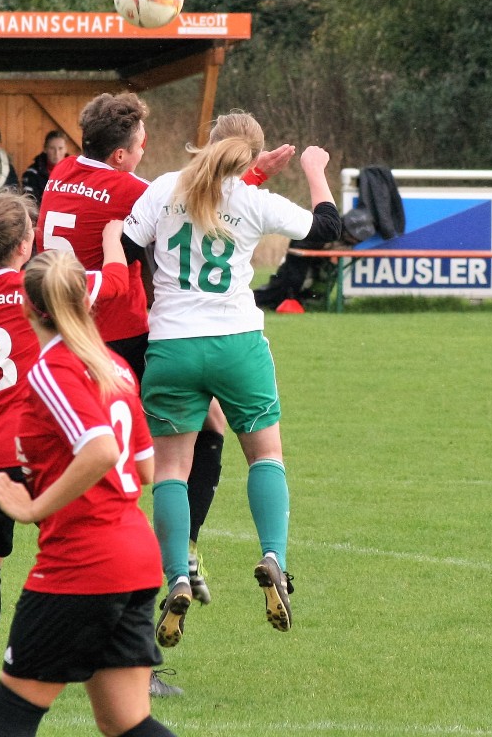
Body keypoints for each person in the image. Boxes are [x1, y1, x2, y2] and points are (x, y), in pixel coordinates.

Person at [36, 93, 295, 615]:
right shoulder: (128, 189)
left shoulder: (61, 173)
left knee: (206, 427)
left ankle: (177, 556)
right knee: (158, 463)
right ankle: (179, 558)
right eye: (139, 145)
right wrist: (252, 178)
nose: (143, 151)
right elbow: (201, 203)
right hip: (119, 332)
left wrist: (247, 175)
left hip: (67, 328)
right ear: (120, 156)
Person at [121, 110, 341, 647]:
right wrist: (314, 169)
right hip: (237, 342)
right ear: (249, 157)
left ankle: (175, 575)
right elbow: (329, 230)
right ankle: (273, 558)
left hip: (172, 342)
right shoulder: (251, 200)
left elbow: (127, 251)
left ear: (209, 145)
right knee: (265, 456)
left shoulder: (164, 188)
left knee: (172, 469)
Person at [0, 249, 177, 737]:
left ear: (27, 309)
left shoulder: (55, 370)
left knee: (12, 710)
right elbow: (147, 467)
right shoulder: (113, 365)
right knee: (125, 722)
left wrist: (32, 507)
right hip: (135, 558)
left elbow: (102, 449)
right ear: (87, 301)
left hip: (84, 561)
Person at [0, 192, 130, 695]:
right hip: (35, 447)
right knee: (84, 550)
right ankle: (113, 666)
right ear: (26, 243)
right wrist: (112, 240)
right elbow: (112, 284)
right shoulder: (34, 290)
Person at [21, 130, 68, 202]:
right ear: (45, 149)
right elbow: (30, 203)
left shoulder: (76, 172)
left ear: (66, 149)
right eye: (52, 148)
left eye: (60, 148)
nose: (57, 153)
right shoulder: (32, 173)